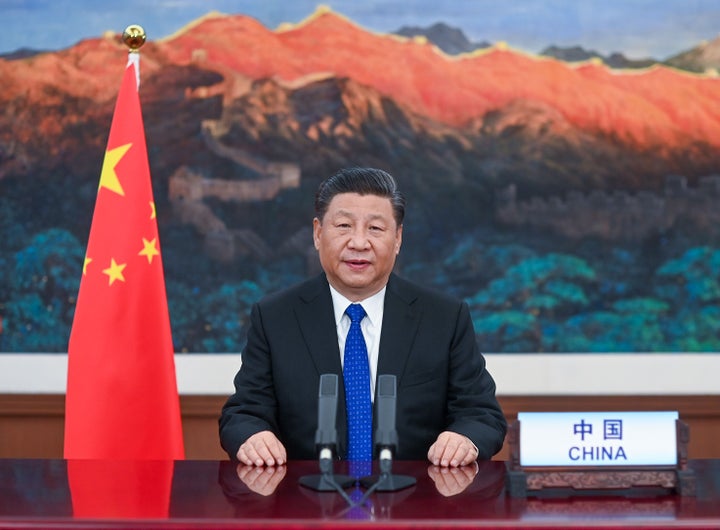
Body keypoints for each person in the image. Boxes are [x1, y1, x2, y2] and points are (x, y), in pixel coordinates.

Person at [219, 167, 506, 468]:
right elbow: (243, 414)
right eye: (343, 225)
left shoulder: (444, 318)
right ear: (318, 234)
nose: (358, 242)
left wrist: (463, 438)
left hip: (414, 501)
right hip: (307, 501)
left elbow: (482, 415)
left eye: (375, 229)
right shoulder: (275, 317)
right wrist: (253, 436)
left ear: (397, 239)